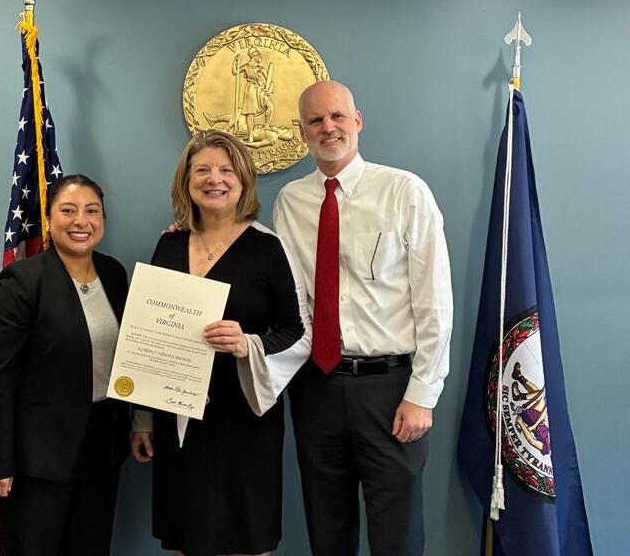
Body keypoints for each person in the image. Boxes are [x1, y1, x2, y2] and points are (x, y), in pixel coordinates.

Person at [272, 80, 453, 556]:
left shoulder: (404, 191)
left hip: (390, 390)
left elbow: (435, 302)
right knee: (327, 529)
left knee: (396, 535)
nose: (327, 127)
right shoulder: (291, 200)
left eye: (336, 117)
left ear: (357, 121)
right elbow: (289, 296)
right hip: (316, 387)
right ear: (302, 131)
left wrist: (422, 393)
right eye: (315, 120)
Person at [131, 130, 310, 556]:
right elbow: (147, 332)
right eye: (203, 170)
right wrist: (141, 418)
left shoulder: (269, 247)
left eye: (227, 170)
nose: (215, 179)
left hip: (245, 418)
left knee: (245, 535)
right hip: (178, 415)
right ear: (187, 181)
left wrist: (247, 342)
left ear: (244, 180)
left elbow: (295, 330)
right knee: (186, 536)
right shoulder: (169, 242)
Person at [0, 174, 130, 556]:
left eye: (92, 211)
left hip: (102, 450)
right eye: (68, 210)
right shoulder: (23, 280)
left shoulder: (115, 274)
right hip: (38, 459)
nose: (81, 221)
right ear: (48, 220)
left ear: (103, 220)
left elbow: (133, 353)